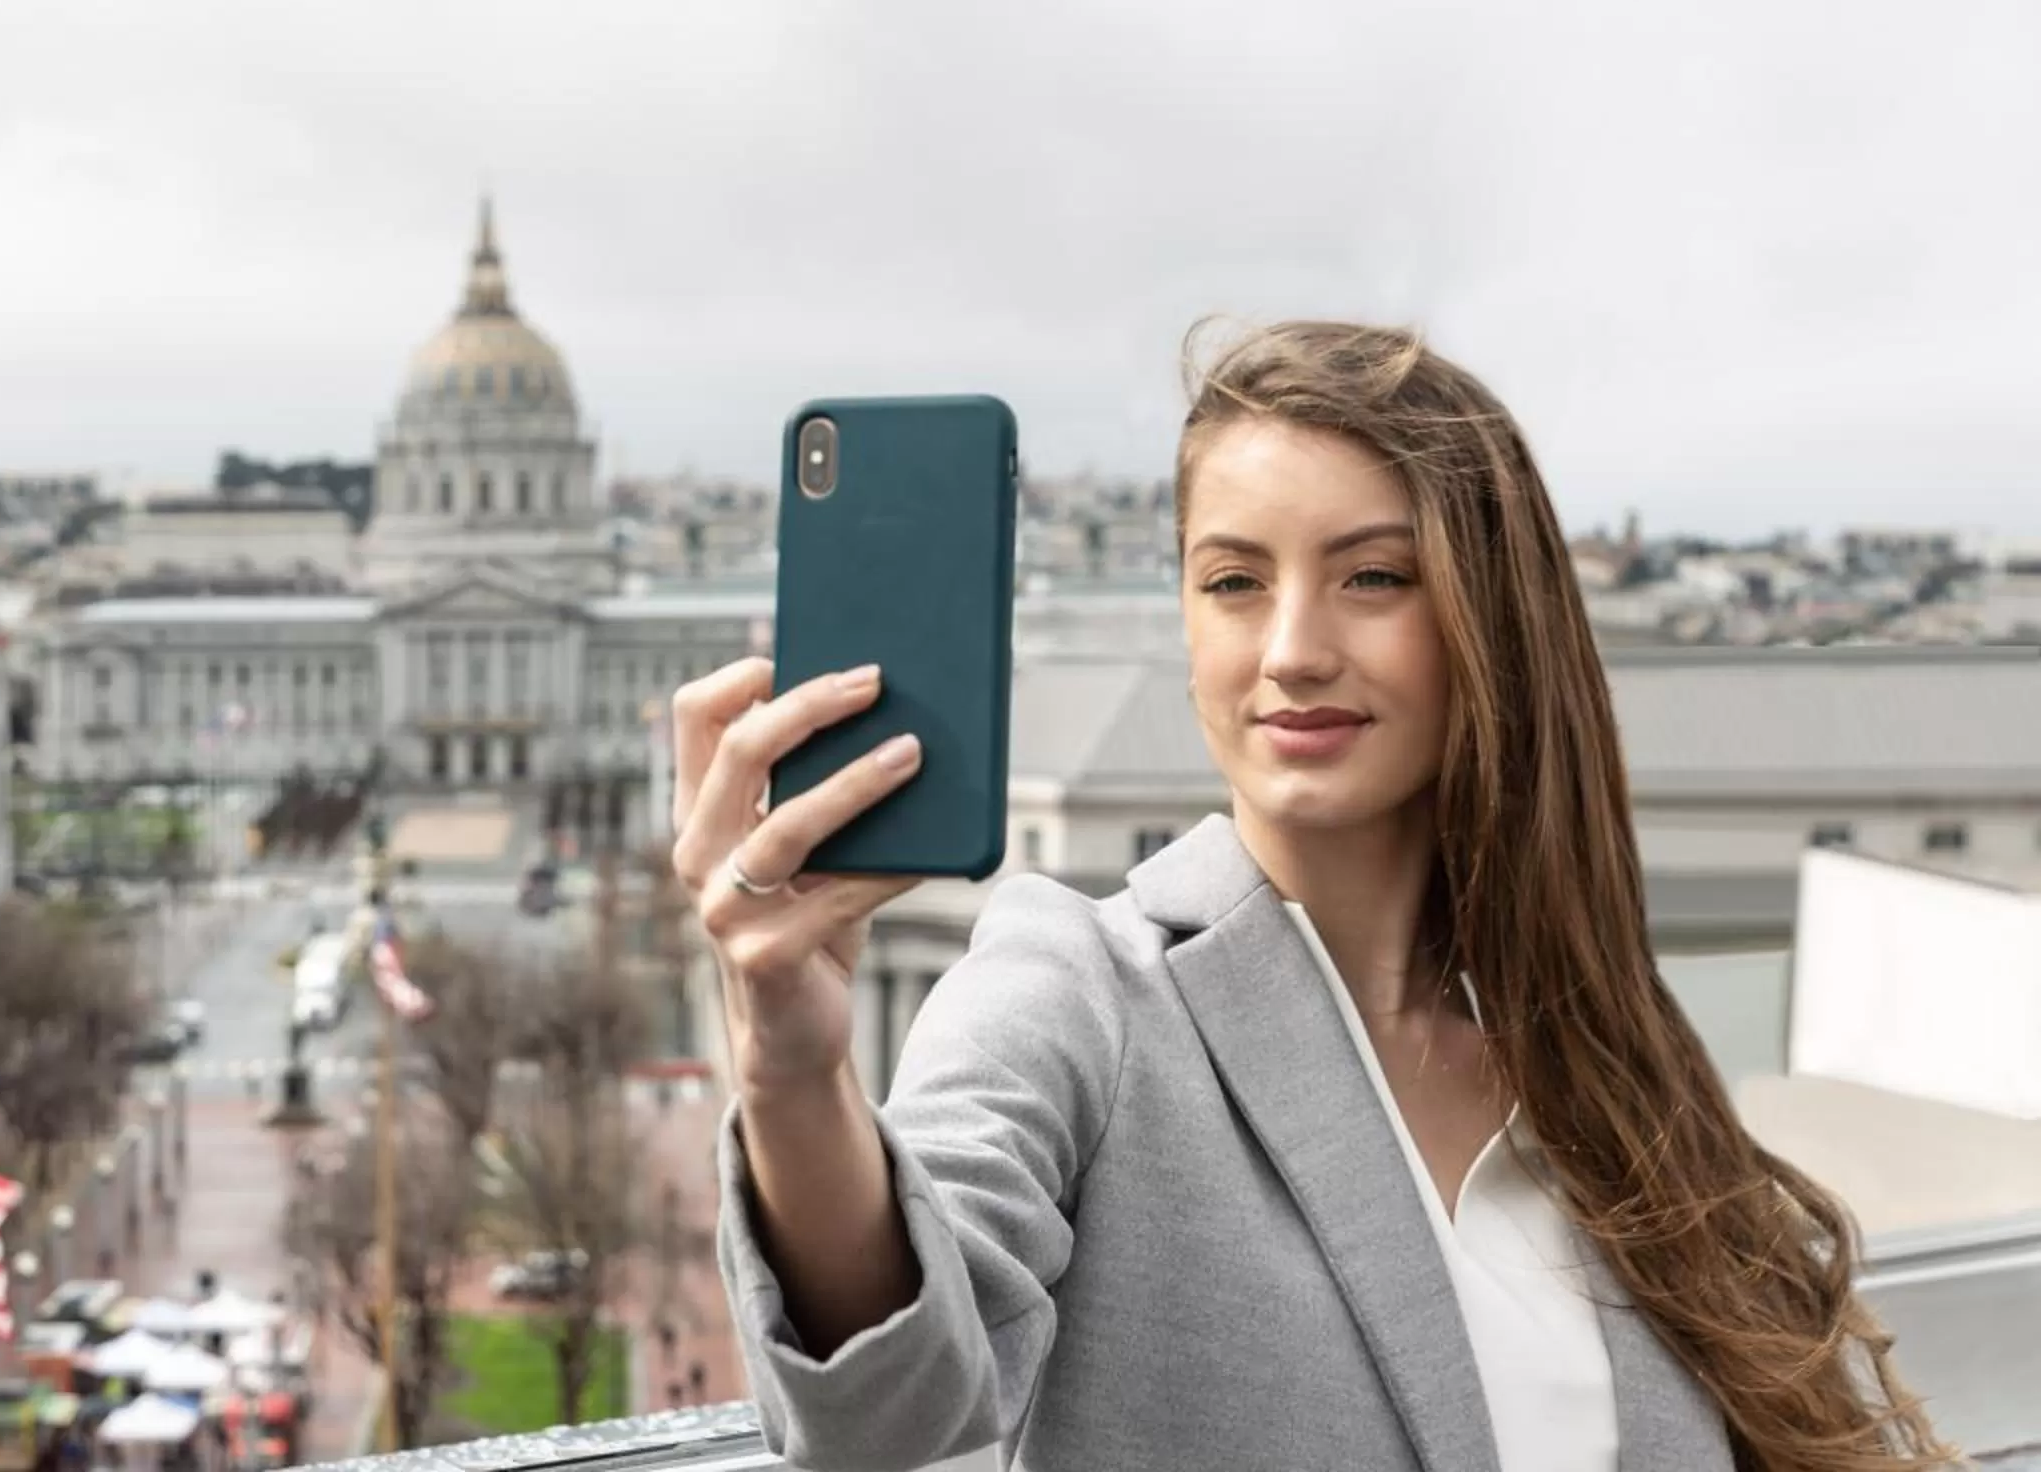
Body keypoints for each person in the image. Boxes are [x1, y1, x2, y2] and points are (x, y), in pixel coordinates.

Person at [679, 321, 1950, 1472]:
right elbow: (882, 1408)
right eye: (1235, 581)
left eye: (1372, 576)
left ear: (1487, 622)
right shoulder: (1078, 992)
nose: (1291, 647)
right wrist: (790, 1062)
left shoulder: (1605, 1049)